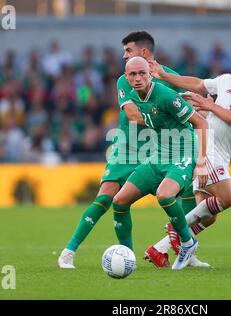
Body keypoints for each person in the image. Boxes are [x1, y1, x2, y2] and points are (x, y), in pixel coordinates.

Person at [57, 31, 199, 268]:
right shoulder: (126, 78)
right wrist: (163, 119)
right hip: (129, 147)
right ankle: (70, 252)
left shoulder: (168, 77)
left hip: (164, 148)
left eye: (128, 51)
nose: (124, 56)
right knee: (107, 196)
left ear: (144, 53)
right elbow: (132, 114)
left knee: (186, 194)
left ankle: (187, 250)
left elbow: (191, 99)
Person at [147, 52, 231, 263]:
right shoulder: (227, 81)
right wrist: (164, 75)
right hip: (207, 145)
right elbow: (198, 84)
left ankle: (160, 248)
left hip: (224, 154)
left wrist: (210, 106)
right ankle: (177, 227)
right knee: (229, 197)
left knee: (209, 216)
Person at [112, 56, 208, 270]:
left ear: (149, 74)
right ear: (126, 77)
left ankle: (187, 242)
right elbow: (143, 118)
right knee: (119, 201)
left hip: (184, 152)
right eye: (132, 74)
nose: (138, 78)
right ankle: (127, 258)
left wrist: (201, 162)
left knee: (165, 195)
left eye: (142, 73)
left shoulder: (165, 95)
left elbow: (200, 122)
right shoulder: (131, 96)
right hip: (158, 155)